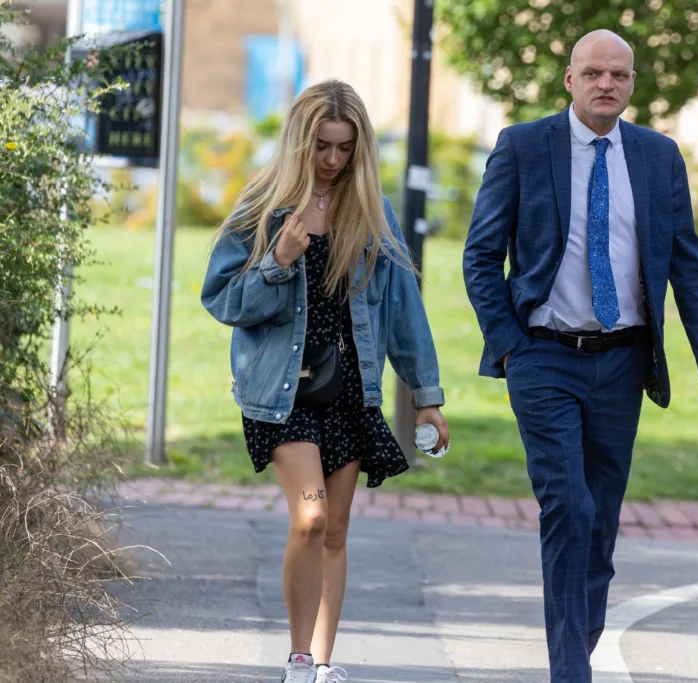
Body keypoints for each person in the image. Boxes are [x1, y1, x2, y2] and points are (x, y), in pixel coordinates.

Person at [463, 29, 698, 682]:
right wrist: (511, 346)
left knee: (600, 527)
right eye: (593, 73)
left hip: (622, 362)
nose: (606, 83)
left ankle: (572, 656)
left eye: (618, 74)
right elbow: (480, 256)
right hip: (544, 356)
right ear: (569, 79)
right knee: (570, 507)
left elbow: (688, 265)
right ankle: (570, 673)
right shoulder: (524, 147)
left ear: (632, 83)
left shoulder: (658, 156)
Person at [201, 79, 449, 683]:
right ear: (299, 143)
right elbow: (224, 302)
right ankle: (298, 658)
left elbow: (404, 311)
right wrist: (278, 262)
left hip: (350, 391)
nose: (334, 160)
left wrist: (427, 399)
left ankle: (325, 665)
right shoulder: (260, 208)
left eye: (345, 147)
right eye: (322, 147)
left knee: (335, 530)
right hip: (280, 391)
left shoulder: (372, 213)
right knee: (309, 519)